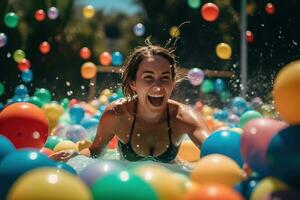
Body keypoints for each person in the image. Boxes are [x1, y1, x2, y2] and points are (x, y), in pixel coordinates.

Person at [50, 39, 211, 163]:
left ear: (172, 82)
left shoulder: (185, 118)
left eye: (164, 78)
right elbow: (95, 151)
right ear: (133, 83)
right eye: (148, 78)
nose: (158, 87)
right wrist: (76, 156)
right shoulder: (117, 114)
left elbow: (214, 150)